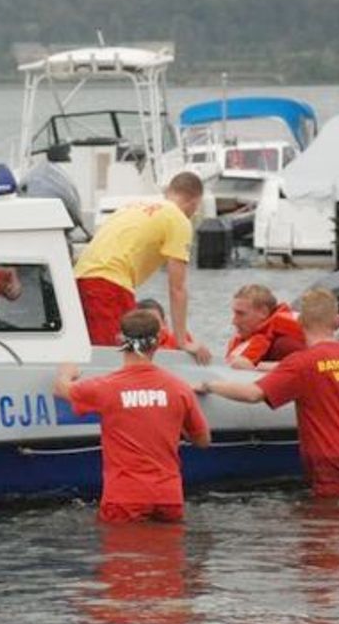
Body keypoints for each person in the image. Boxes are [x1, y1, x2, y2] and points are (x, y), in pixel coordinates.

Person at [196, 288, 339, 498]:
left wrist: (210, 385)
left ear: (300, 322)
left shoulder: (302, 364)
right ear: (337, 320)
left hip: (335, 464)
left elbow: (252, 394)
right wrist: (262, 367)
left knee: (330, 526)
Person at [54, 309, 211, 523]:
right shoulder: (180, 388)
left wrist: (66, 372)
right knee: (168, 555)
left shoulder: (105, 387)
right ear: (158, 342)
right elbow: (203, 440)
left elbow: (61, 390)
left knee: (125, 554)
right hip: (168, 496)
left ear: (119, 340)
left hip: (125, 497)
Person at [73, 171, 211, 364]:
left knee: (97, 350)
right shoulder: (178, 219)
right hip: (108, 283)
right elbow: (177, 288)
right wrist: (182, 341)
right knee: (120, 359)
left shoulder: (133, 207)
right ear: (195, 202)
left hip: (80, 277)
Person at [225, 283, 306, 370]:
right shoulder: (246, 340)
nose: (234, 321)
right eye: (235, 313)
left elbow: (321, 367)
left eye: (241, 314)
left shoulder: (284, 344)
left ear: (263, 313)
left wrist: (254, 370)